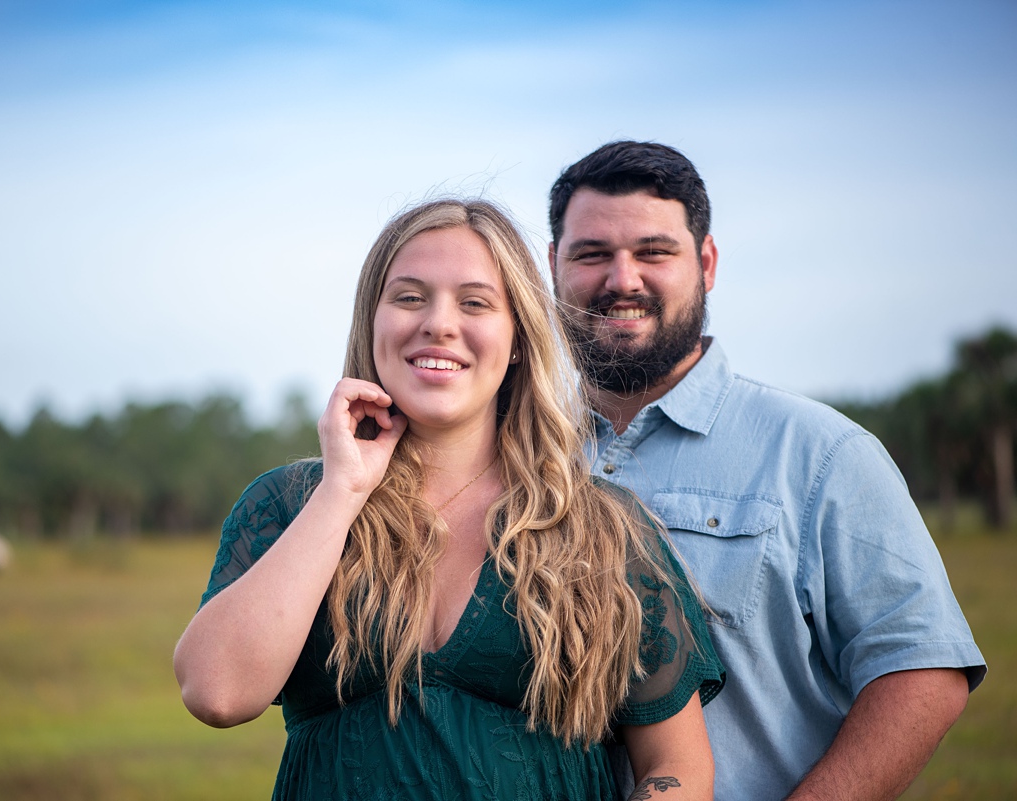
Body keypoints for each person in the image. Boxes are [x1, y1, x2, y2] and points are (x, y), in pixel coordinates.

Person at [174, 199, 726, 800]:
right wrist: (343, 490)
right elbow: (217, 693)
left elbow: (676, 766)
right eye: (410, 297)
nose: (438, 323)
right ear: (372, 322)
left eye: (474, 302)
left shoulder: (603, 529)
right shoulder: (291, 504)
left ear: (517, 339)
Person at [547, 141, 987, 801]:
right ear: (552, 269)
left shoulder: (822, 453)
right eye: (591, 254)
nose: (622, 278)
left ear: (707, 263)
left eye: (653, 251)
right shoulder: (514, 457)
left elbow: (922, 670)